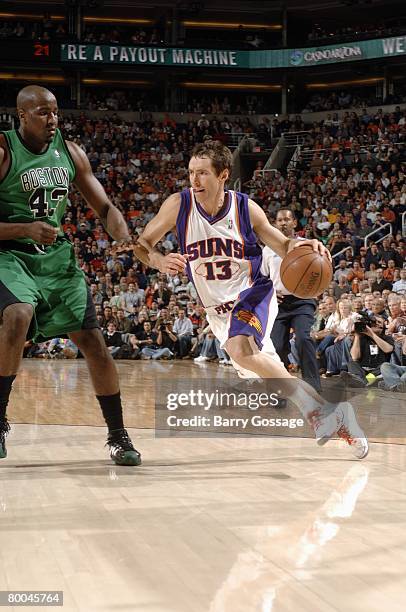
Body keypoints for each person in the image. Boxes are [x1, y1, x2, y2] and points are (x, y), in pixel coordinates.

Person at [133, 140, 368, 459]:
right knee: (263, 371)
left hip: (252, 293)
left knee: (239, 348)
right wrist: (158, 260)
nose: (194, 180)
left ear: (223, 175)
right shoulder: (179, 205)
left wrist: (306, 246)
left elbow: (283, 245)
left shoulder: (245, 208)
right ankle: (333, 416)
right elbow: (142, 244)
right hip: (217, 313)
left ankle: (320, 416)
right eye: (191, 173)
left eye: (202, 173)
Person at [0, 85, 140, 465]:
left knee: (93, 342)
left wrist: (125, 238)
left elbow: (106, 206)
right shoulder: (3, 150)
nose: (53, 119)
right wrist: (23, 229)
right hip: (10, 255)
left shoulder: (70, 151)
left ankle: (118, 435)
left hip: (56, 260)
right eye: (43, 113)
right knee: (17, 315)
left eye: (55, 111)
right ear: (22, 115)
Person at [263, 209, 321, 392]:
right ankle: (279, 388)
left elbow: (320, 270)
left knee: (303, 338)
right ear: (275, 224)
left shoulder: (306, 245)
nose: (283, 223)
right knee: (277, 346)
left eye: (287, 219)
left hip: (303, 300)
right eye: (279, 220)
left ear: (295, 223)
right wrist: (270, 293)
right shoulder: (267, 249)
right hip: (278, 303)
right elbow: (262, 279)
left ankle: (313, 386)